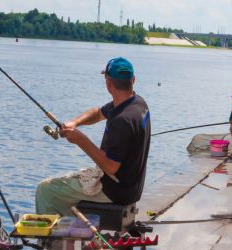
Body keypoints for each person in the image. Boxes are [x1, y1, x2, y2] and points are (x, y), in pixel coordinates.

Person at [36, 57, 151, 217]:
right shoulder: (137, 103)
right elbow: (98, 113)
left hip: (115, 190)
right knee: (64, 187)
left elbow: (111, 167)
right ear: (133, 80)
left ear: (108, 83)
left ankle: (54, 241)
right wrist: (75, 122)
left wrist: (80, 139)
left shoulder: (122, 120)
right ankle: (75, 233)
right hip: (132, 186)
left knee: (46, 190)